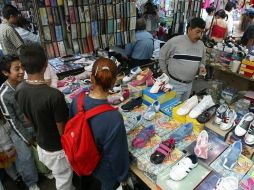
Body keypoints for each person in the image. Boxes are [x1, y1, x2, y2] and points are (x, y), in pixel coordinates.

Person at [16, 44, 74, 190]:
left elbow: (27, 119)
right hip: (56, 149)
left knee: (60, 175)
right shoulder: (54, 96)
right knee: (63, 180)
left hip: (41, 143)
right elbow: (62, 131)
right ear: (46, 63)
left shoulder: (20, 89)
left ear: (22, 66)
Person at [70, 58, 129, 190]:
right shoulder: (114, 118)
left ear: (91, 78)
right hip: (103, 173)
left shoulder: (77, 101)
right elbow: (117, 154)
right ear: (113, 82)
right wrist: (123, 178)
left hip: (82, 162)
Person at [0, 55, 39, 190]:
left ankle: (43, 171)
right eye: (17, 69)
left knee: (39, 151)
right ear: (6, 73)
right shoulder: (4, 94)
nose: (22, 71)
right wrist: (26, 138)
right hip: (18, 129)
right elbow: (12, 121)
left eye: (22, 67)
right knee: (26, 157)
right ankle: (31, 182)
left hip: (32, 124)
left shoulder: (25, 83)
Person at [159, 17, 207, 101]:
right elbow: (162, 56)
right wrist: (164, 72)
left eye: (202, 32)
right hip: (174, 83)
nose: (200, 35)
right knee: (172, 108)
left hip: (189, 84)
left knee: (182, 107)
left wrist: (202, 67)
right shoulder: (175, 41)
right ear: (189, 29)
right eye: (197, 32)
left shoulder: (201, 45)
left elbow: (202, 60)